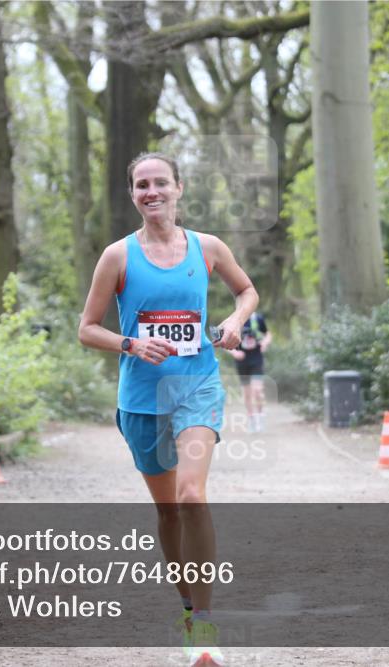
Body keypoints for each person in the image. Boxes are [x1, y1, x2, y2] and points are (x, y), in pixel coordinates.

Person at [78, 152, 258, 667]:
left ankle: (203, 623)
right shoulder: (117, 256)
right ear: (132, 194)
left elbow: (246, 291)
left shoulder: (208, 248)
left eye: (161, 182)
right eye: (141, 185)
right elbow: (86, 328)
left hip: (196, 385)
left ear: (179, 188)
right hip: (140, 399)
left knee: (191, 495)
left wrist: (235, 320)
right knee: (168, 511)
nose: (151, 191)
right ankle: (185, 606)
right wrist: (130, 344)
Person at [227, 312, 272, 432]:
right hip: (242, 361)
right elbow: (224, 340)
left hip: (256, 358)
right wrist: (234, 353)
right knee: (246, 393)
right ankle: (252, 419)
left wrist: (265, 343)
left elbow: (267, 334)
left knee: (257, 390)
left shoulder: (257, 318)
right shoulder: (234, 320)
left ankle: (260, 415)